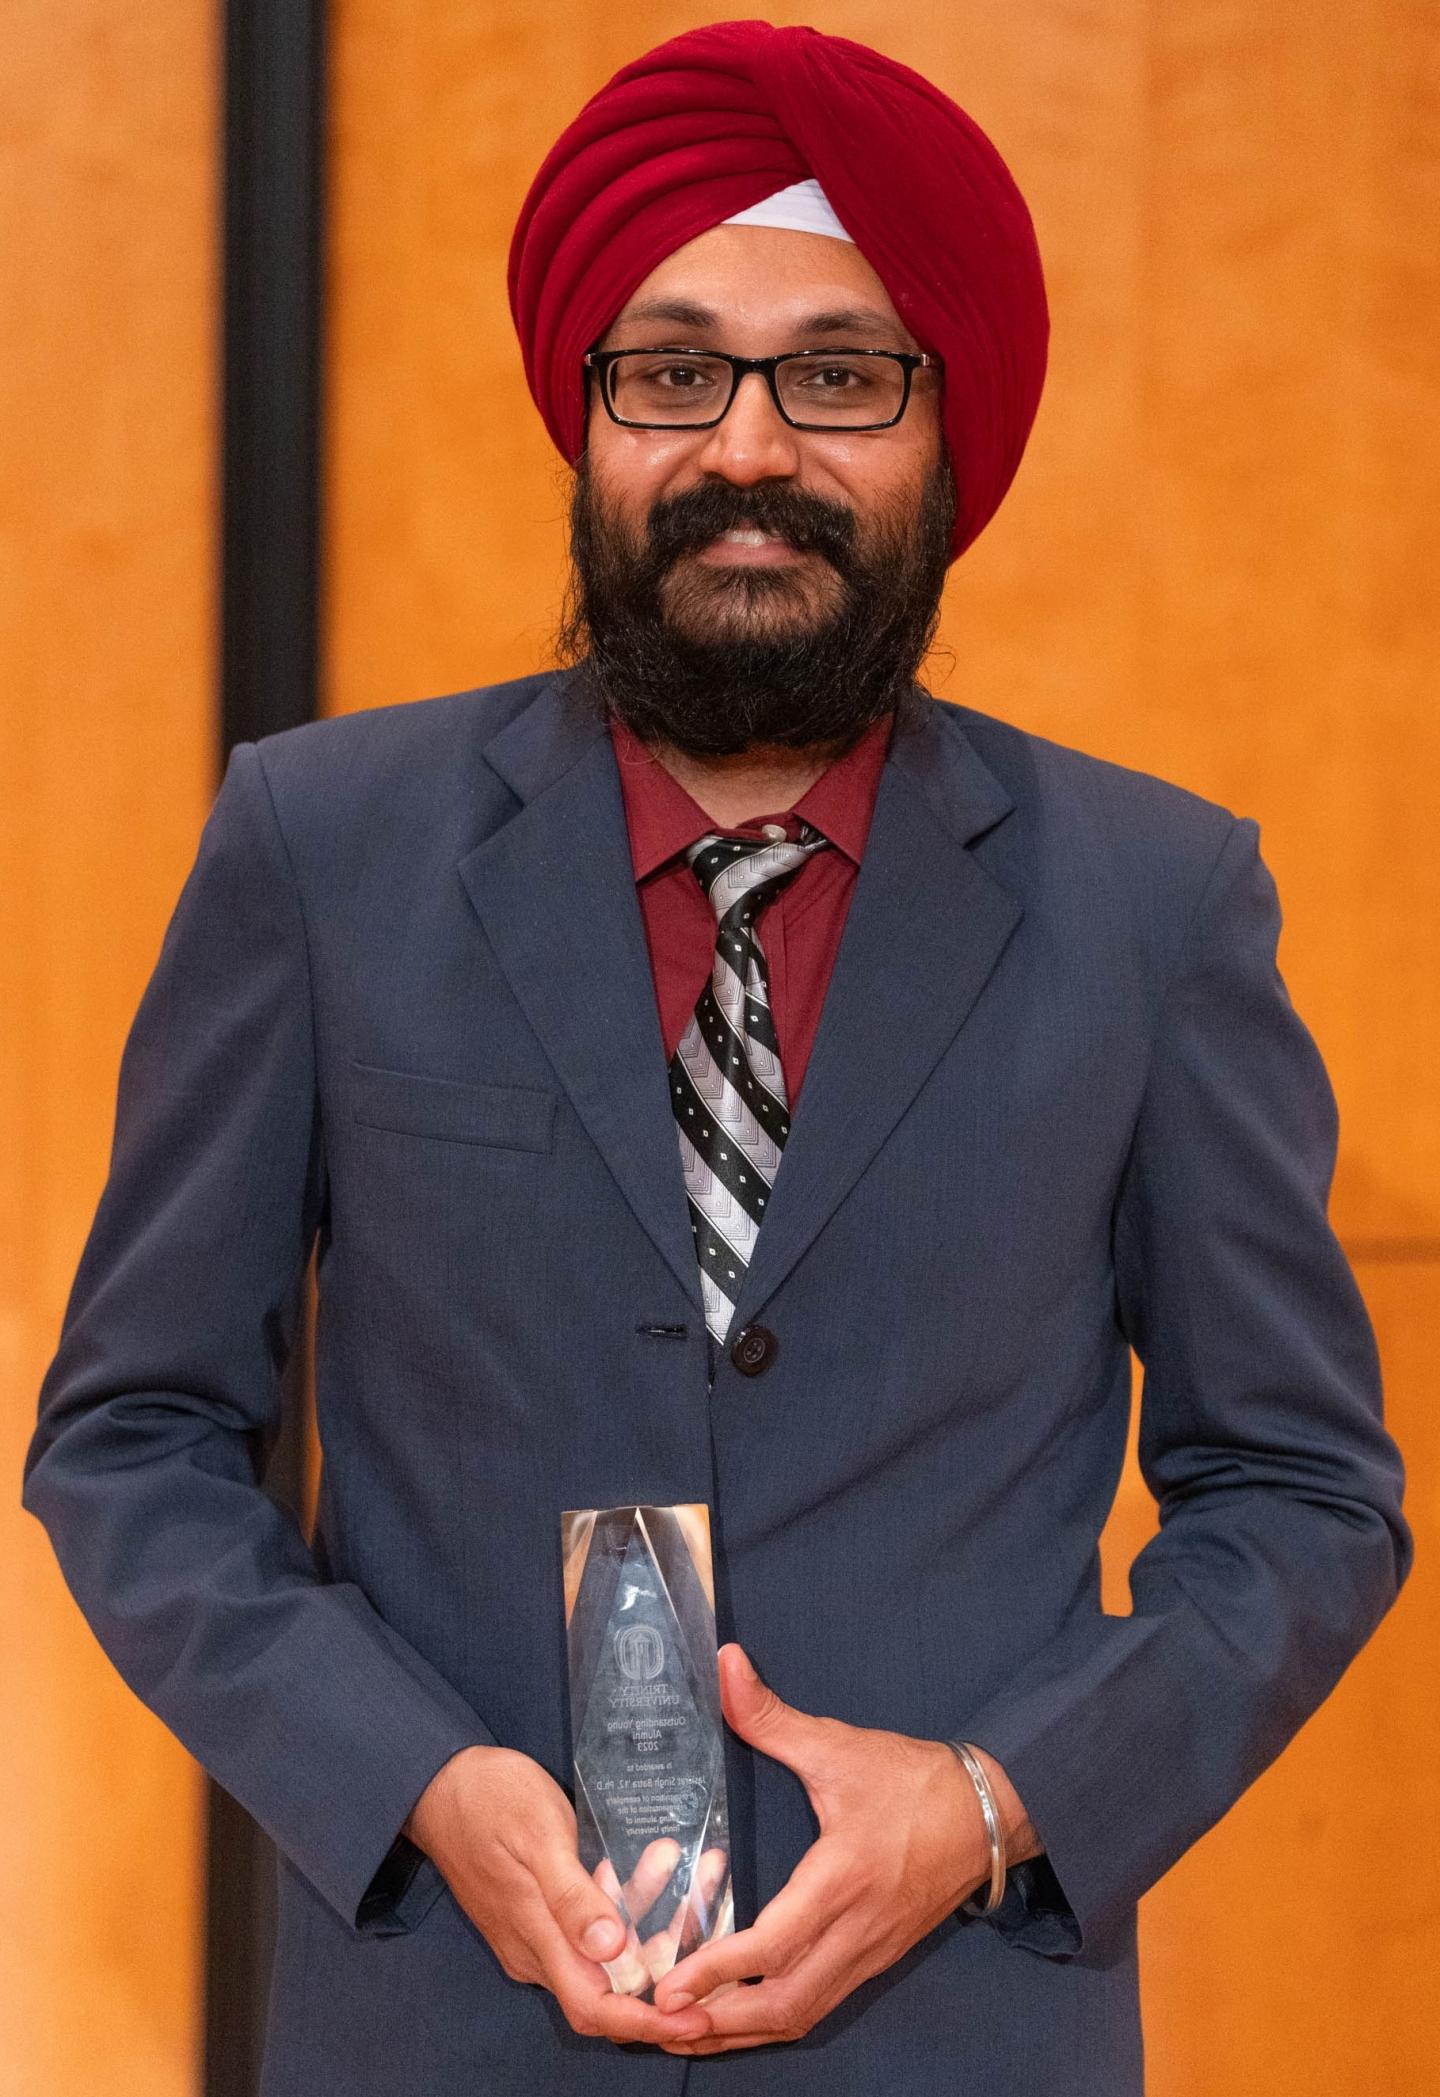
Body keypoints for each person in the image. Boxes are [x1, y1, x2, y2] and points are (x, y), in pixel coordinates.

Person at [22, 20, 1411, 2096]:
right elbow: (129, 1436)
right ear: (584, 421)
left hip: (957, 2038)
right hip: (433, 2027)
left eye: (839, 374)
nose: (748, 449)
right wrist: (415, 1782)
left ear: (948, 433)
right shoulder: (321, 850)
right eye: (671, 372)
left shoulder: (1159, 900)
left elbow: (1302, 1493)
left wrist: (999, 1794)